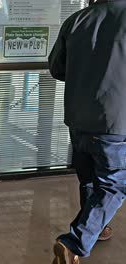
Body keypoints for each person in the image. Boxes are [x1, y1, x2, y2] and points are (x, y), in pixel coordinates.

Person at [49, 0, 126, 263]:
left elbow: (57, 67)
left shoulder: (77, 19)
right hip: (114, 122)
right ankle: (74, 243)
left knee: (90, 179)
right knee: (114, 185)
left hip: (77, 117)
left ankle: (97, 228)